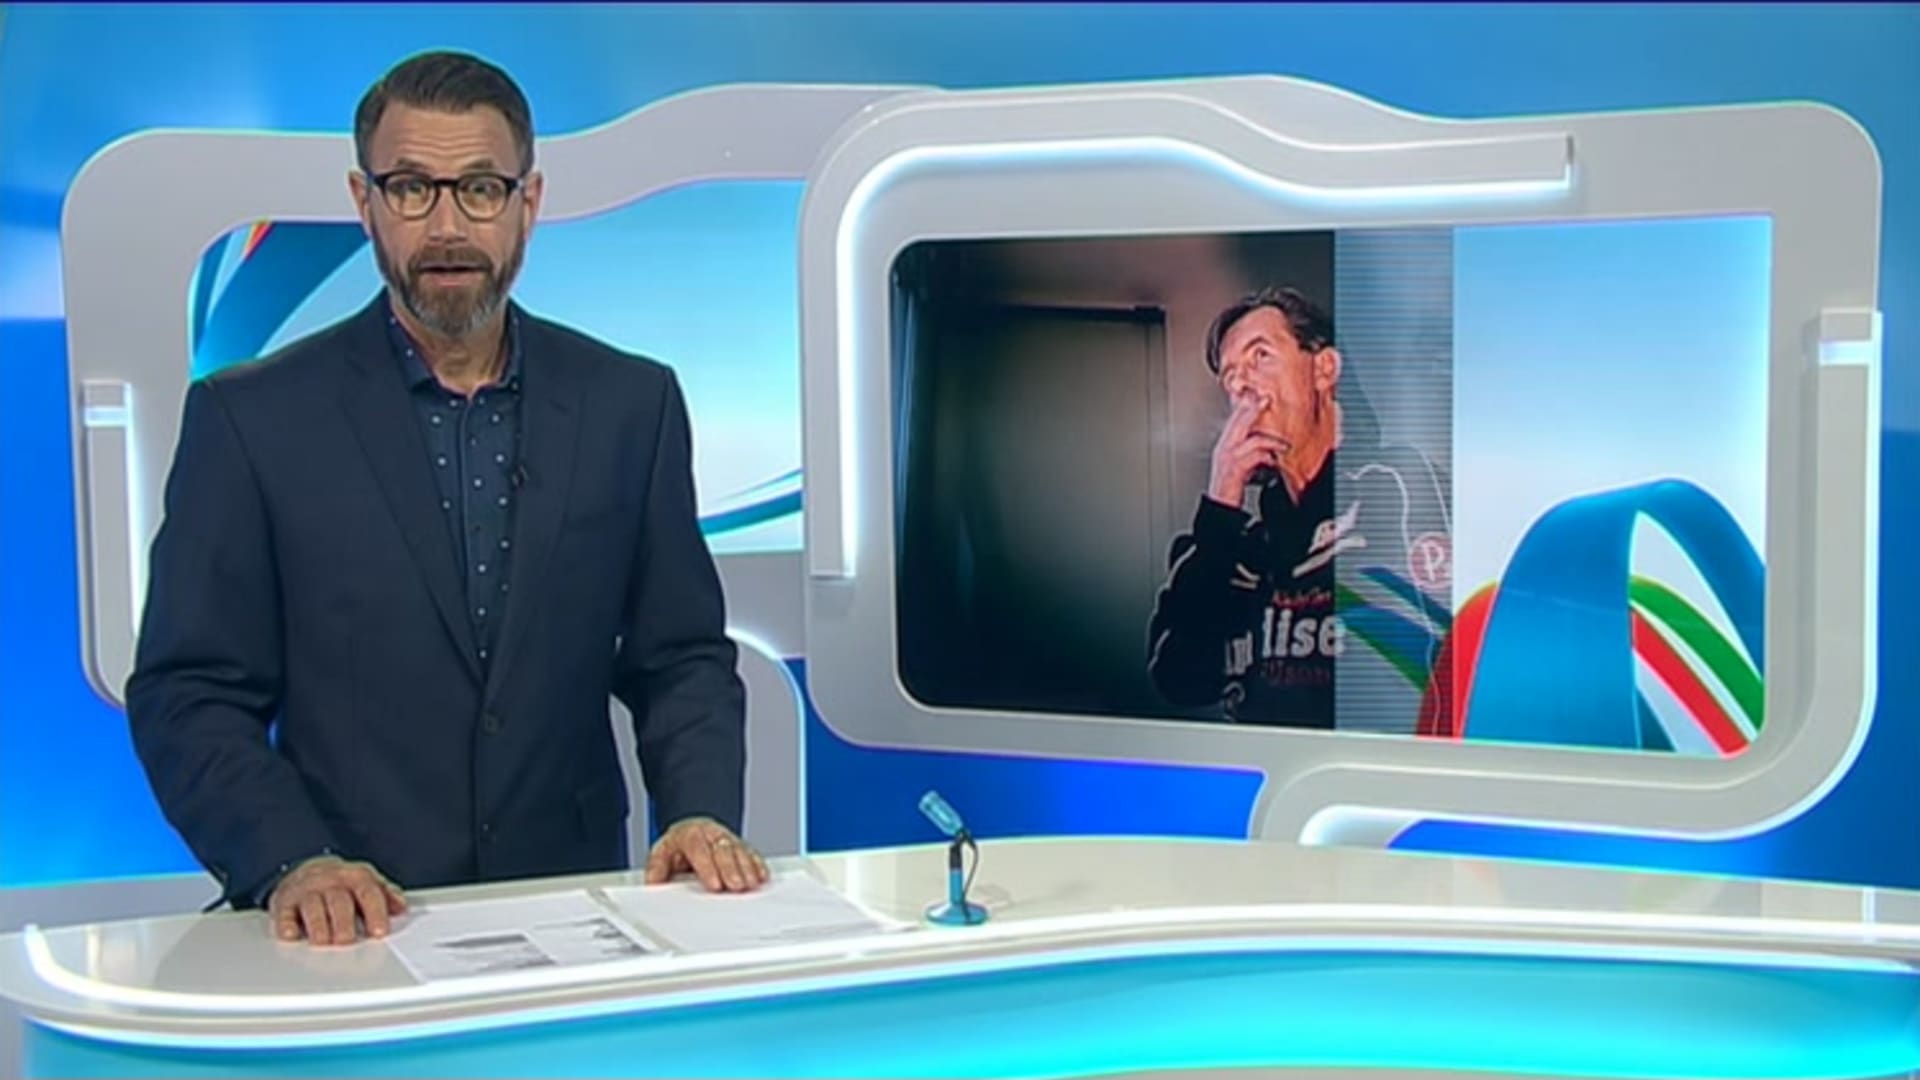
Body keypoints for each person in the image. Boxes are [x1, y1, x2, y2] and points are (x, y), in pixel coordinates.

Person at [126, 50, 767, 948]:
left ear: (527, 203)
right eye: (412, 189)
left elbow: (680, 658)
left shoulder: (631, 404)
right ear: (365, 203)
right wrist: (292, 860)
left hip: (572, 910)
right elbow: (190, 691)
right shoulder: (252, 420)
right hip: (353, 923)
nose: (448, 226)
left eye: (479, 188)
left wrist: (698, 813)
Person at [1147, 286, 1450, 727]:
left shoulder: (1400, 488)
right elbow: (1179, 680)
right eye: (1229, 376)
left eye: (1260, 356)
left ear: (1324, 369)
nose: (1241, 385)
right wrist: (1220, 504)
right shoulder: (1240, 546)